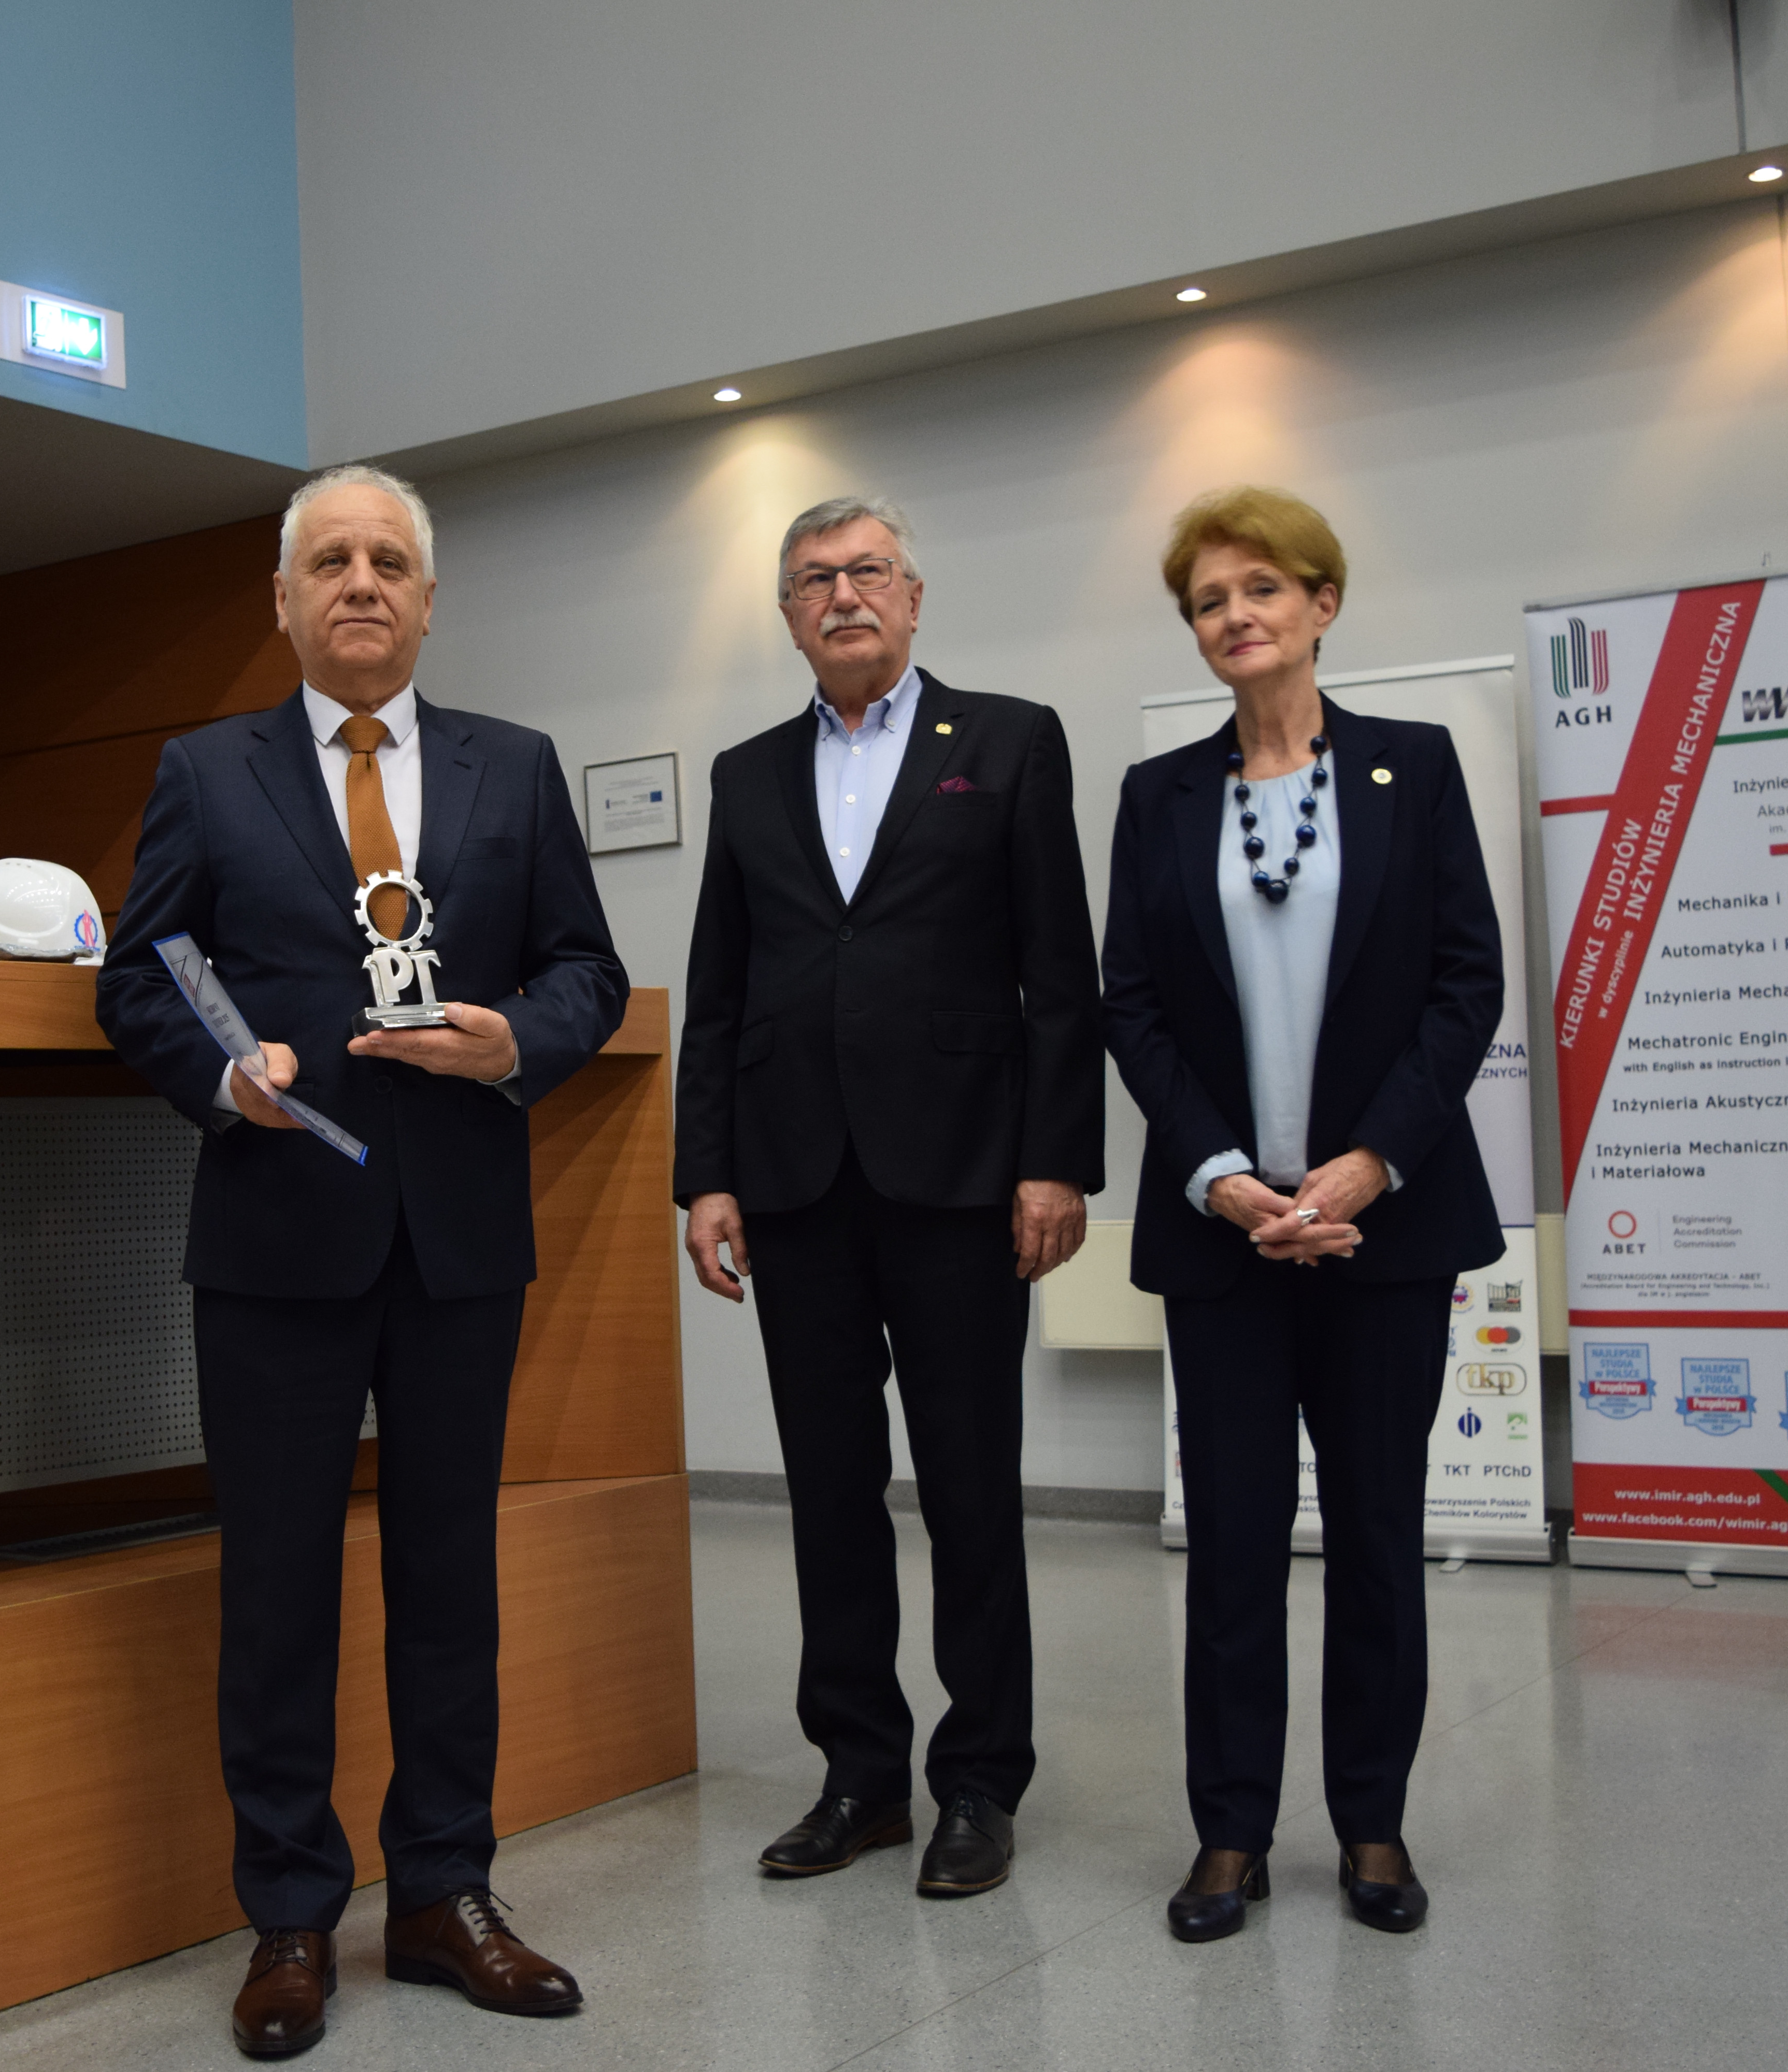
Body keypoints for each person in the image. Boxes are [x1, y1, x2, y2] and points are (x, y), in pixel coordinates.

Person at [96, 463, 626, 2060]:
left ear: (428, 598)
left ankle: (444, 1894)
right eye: (329, 559)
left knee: (447, 1580)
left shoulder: (512, 768)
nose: (361, 582)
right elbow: (145, 972)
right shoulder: (207, 770)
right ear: (284, 600)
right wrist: (223, 1069)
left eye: (388, 559)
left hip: (459, 1236)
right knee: (276, 1589)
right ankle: (289, 1915)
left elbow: (585, 969)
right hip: (275, 1236)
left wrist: (512, 1040)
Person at [675, 494, 1105, 1901]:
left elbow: (1060, 970)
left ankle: (980, 1777)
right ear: (788, 614)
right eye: (815, 579)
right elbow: (721, 988)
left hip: (965, 1174)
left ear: (913, 597)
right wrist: (707, 1173)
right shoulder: (746, 774)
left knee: (971, 1485)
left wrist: (1056, 1159)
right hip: (794, 1180)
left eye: (868, 572)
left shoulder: (1009, 741)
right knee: (828, 1491)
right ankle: (859, 1771)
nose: (844, 595)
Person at [1097, 486, 1504, 1943]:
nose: (1237, 616)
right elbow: (1131, 1005)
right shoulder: (1159, 796)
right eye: (1210, 600)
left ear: (1323, 604)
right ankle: (1231, 1833)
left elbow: (1466, 983)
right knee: (1233, 1546)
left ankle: (1373, 1825)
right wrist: (1222, 1175)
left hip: (1382, 1231)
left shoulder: (1415, 765)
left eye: (1262, 588)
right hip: (1225, 1240)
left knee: (1379, 1537)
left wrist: (1364, 1166)